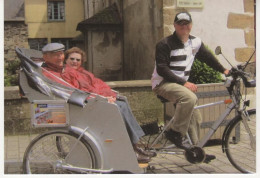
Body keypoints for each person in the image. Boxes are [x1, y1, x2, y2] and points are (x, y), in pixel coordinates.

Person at [41, 44, 156, 163]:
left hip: (88, 100)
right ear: (46, 57)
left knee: (122, 102)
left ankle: (134, 146)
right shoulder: (54, 73)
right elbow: (76, 91)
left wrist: (108, 94)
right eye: (56, 55)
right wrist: (103, 98)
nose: (60, 57)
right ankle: (132, 148)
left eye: (60, 54)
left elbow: (94, 85)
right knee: (118, 108)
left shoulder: (65, 70)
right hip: (82, 105)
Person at [151, 12, 229, 163]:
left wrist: (224, 70)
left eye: (187, 23)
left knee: (196, 117)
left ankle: (196, 151)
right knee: (189, 98)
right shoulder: (165, 44)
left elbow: (208, 58)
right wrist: (184, 83)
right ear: (174, 25)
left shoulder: (195, 43)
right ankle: (174, 133)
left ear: (191, 25)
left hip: (178, 85)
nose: (184, 26)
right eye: (180, 23)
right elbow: (162, 69)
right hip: (162, 84)